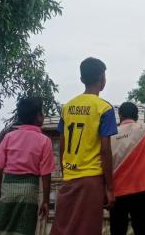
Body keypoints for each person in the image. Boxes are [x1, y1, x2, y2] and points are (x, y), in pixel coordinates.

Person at [50, 57, 118, 235]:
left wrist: (66, 172)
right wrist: (110, 188)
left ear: (81, 79)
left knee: (64, 228)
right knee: (87, 229)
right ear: (102, 80)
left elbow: (62, 144)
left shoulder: (67, 107)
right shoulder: (104, 108)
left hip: (70, 176)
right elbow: (105, 150)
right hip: (91, 179)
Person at [0, 97, 55, 235]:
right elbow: (46, 174)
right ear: (38, 116)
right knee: (24, 230)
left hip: (7, 189)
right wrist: (45, 200)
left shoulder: (9, 137)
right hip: (29, 191)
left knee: (3, 228)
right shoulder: (45, 141)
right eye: (43, 112)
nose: (44, 115)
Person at [109, 86, 145, 235]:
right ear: (136, 116)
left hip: (117, 192)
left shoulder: (109, 135)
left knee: (117, 230)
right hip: (139, 191)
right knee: (143, 230)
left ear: (119, 115)